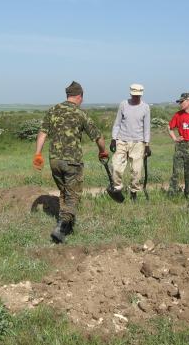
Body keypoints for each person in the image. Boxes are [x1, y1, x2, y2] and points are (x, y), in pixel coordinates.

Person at [33, 81, 108, 243]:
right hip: (72, 161)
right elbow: (98, 136)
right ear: (80, 96)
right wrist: (103, 151)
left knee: (65, 193)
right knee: (73, 196)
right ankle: (60, 228)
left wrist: (38, 154)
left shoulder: (53, 110)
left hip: (55, 160)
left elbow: (42, 133)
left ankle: (68, 227)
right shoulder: (81, 114)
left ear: (68, 95)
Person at [110, 83, 151, 201]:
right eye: (134, 95)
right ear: (131, 94)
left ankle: (134, 192)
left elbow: (147, 127)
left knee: (136, 171)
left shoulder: (145, 107)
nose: (136, 97)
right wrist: (113, 139)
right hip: (121, 140)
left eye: (138, 96)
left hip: (138, 142)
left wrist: (147, 144)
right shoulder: (123, 104)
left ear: (141, 95)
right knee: (116, 167)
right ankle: (117, 189)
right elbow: (117, 123)